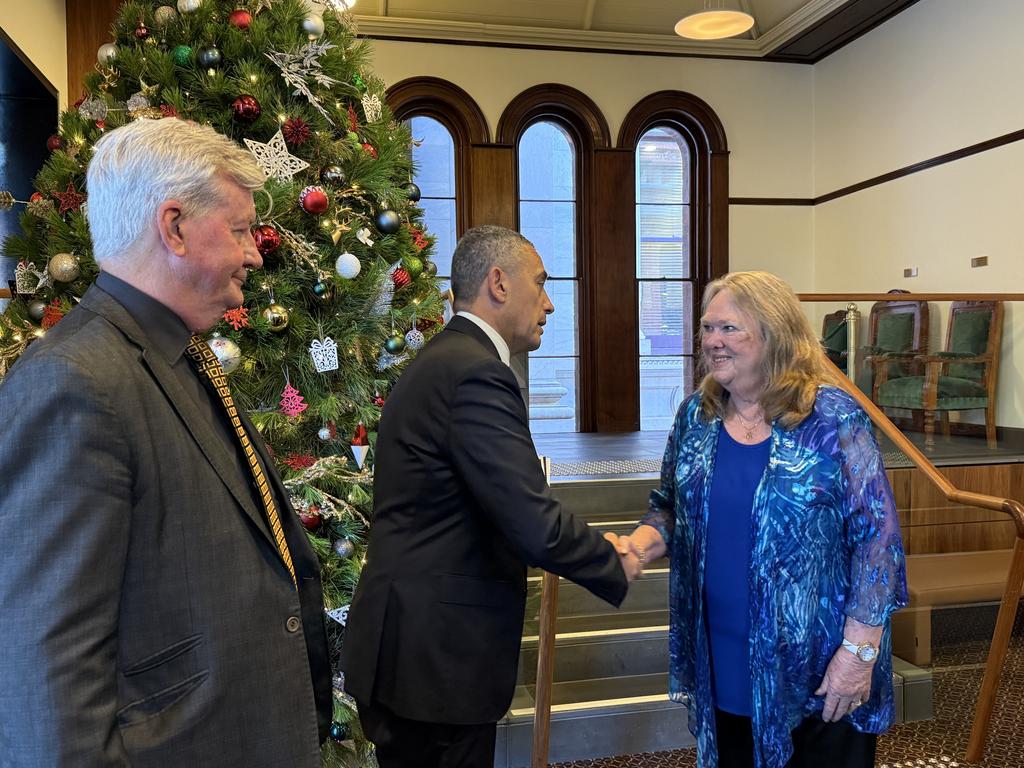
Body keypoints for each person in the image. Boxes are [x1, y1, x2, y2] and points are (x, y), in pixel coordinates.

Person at [0, 118, 332, 766]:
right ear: (174, 226)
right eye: (239, 230)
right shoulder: (74, 382)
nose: (255, 252)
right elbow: (45, 677)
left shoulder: (177, 353)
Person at [341, 224, 640, 767]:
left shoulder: (446, 359)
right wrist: (615, 559)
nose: (549, 304)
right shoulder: (475, 373)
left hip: (414, 651)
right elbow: (530, 520)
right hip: (434, 665)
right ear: (498, 284)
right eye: (541, 284)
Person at [614, 271, 908, 768]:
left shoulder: (833, 418)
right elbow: (667, 505)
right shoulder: (696, 416)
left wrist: (858, 655)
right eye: (707, 328)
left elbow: (877, 541)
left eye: (728, 329)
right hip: (723, 657)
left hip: (820, 668)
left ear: (774, 334)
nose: (712, 341)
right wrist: (640, 544)